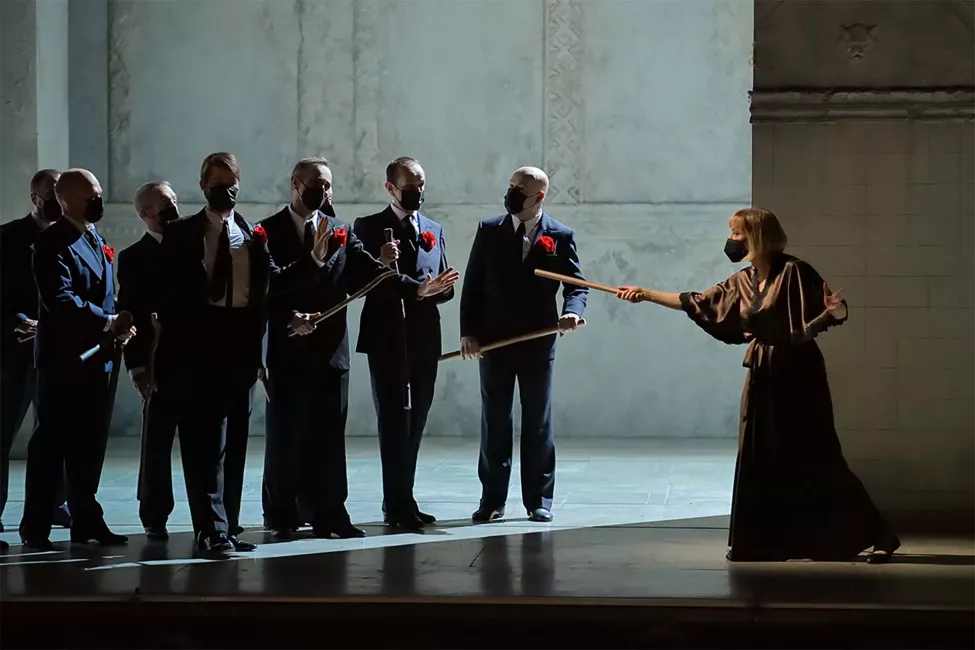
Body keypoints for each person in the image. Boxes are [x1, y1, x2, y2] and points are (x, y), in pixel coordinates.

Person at [615, 207, 900, 564]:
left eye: (737, 233)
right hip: (763, 369)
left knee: (817, 454)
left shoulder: (794, 271)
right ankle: (766, 542)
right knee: (761, 452)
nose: (731, 240)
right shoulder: (743, 281)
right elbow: (698, 302)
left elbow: (832, 314)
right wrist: (645, 293)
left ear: (756, 237)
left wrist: (835, 310)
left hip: (799, 372)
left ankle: (880, 535)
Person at [261, 157, 456, 539]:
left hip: (332, 349)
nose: (324, 191)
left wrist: (417, 288)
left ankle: (330, 512)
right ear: (295, 184)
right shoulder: (267, 231)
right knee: (286, 433)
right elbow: (268, 286)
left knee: (330, 435)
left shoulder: (340, 230)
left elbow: (372, 274)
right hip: (288, 348)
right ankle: (282, 514)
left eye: (328, 185)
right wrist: (302, 287)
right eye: (316, 184)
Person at [156, 152, 341, 554]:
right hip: (198, 344)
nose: (226, 191)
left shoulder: (251, 234)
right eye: (218, 184)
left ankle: (229, 525)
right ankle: (209, 528)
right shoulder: (181, 233)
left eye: (232, 184)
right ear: (203, 186)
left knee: (236, 440)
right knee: (204, 441)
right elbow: (166, 293)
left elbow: (275, 283)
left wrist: (313, 260)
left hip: (241, 344)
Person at [459, 166, 588, 523]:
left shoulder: (560, 235)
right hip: (494, 342)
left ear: (539, 196)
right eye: (511, 185)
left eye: (520, 188)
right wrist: (468, 333)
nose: (512, 192)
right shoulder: (489, 230)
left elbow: (577, 286)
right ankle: (492, 500)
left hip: (537, 342)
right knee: (495, 421)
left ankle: (539, 500)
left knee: (537, 421)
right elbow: (472, 286)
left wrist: (572, 312)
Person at [19, 169, 135, 550]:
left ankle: (86, 520)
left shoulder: (93, 236)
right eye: (91, 197)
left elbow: (104, 292)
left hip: (96, 359)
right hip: (63, 362)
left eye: (99, 194)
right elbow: (61, 300)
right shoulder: (52, 242)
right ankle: (35, 526)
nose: (98, 202)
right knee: (51, 446)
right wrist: (107, 321)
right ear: (66, 200)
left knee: (87, 447)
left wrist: (117, 326)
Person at [353, 157, 456, 530]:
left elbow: (444, 285)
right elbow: (360, 281)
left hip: (424, 336)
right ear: (391, 188)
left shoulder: (433, 229)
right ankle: (394, 504)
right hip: (386, 336)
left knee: (416, 420)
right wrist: (384, 264)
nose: (418, 192)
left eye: (421, 185)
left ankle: (405, 498)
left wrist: (438, 289)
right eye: (410, 186)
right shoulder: (368, 227)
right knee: (394, 421)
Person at [0, 170, 73, 549]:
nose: (57, 202)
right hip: (14, 352)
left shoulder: (74, 236)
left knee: (55, 432)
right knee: (3, 433)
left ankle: (53, 503)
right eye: (50, 194)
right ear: (34, 197)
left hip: (58, 351)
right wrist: (15, 320)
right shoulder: (8, 237)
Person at [117, 181, 180, 540]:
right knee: (156, 442)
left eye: (174, 199)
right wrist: (138, 367)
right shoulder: (134, 257)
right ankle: (154, 514)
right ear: (145, 213)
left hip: (196, 358)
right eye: (165, 203)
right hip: (157, 361)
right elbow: (131, 313)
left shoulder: (194, 243)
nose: (173, 207)